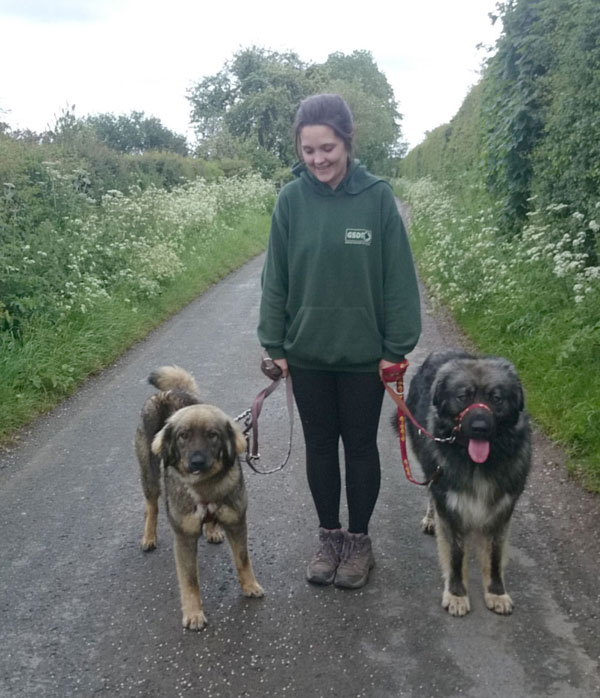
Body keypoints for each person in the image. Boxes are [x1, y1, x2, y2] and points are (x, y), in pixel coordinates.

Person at [258, 93, 421, 590]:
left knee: (360, 447)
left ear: (347, 143)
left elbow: (398, 280)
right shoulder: (291, 201)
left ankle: (359, 541)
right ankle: (329, 537)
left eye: (327, 148)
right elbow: (276, 279)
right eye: (308, 151)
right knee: (321, 448)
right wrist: (274, 343)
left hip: (363, 359)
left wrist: (396, 348)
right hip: (306, 354)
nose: (318, 159)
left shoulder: (376, 198)